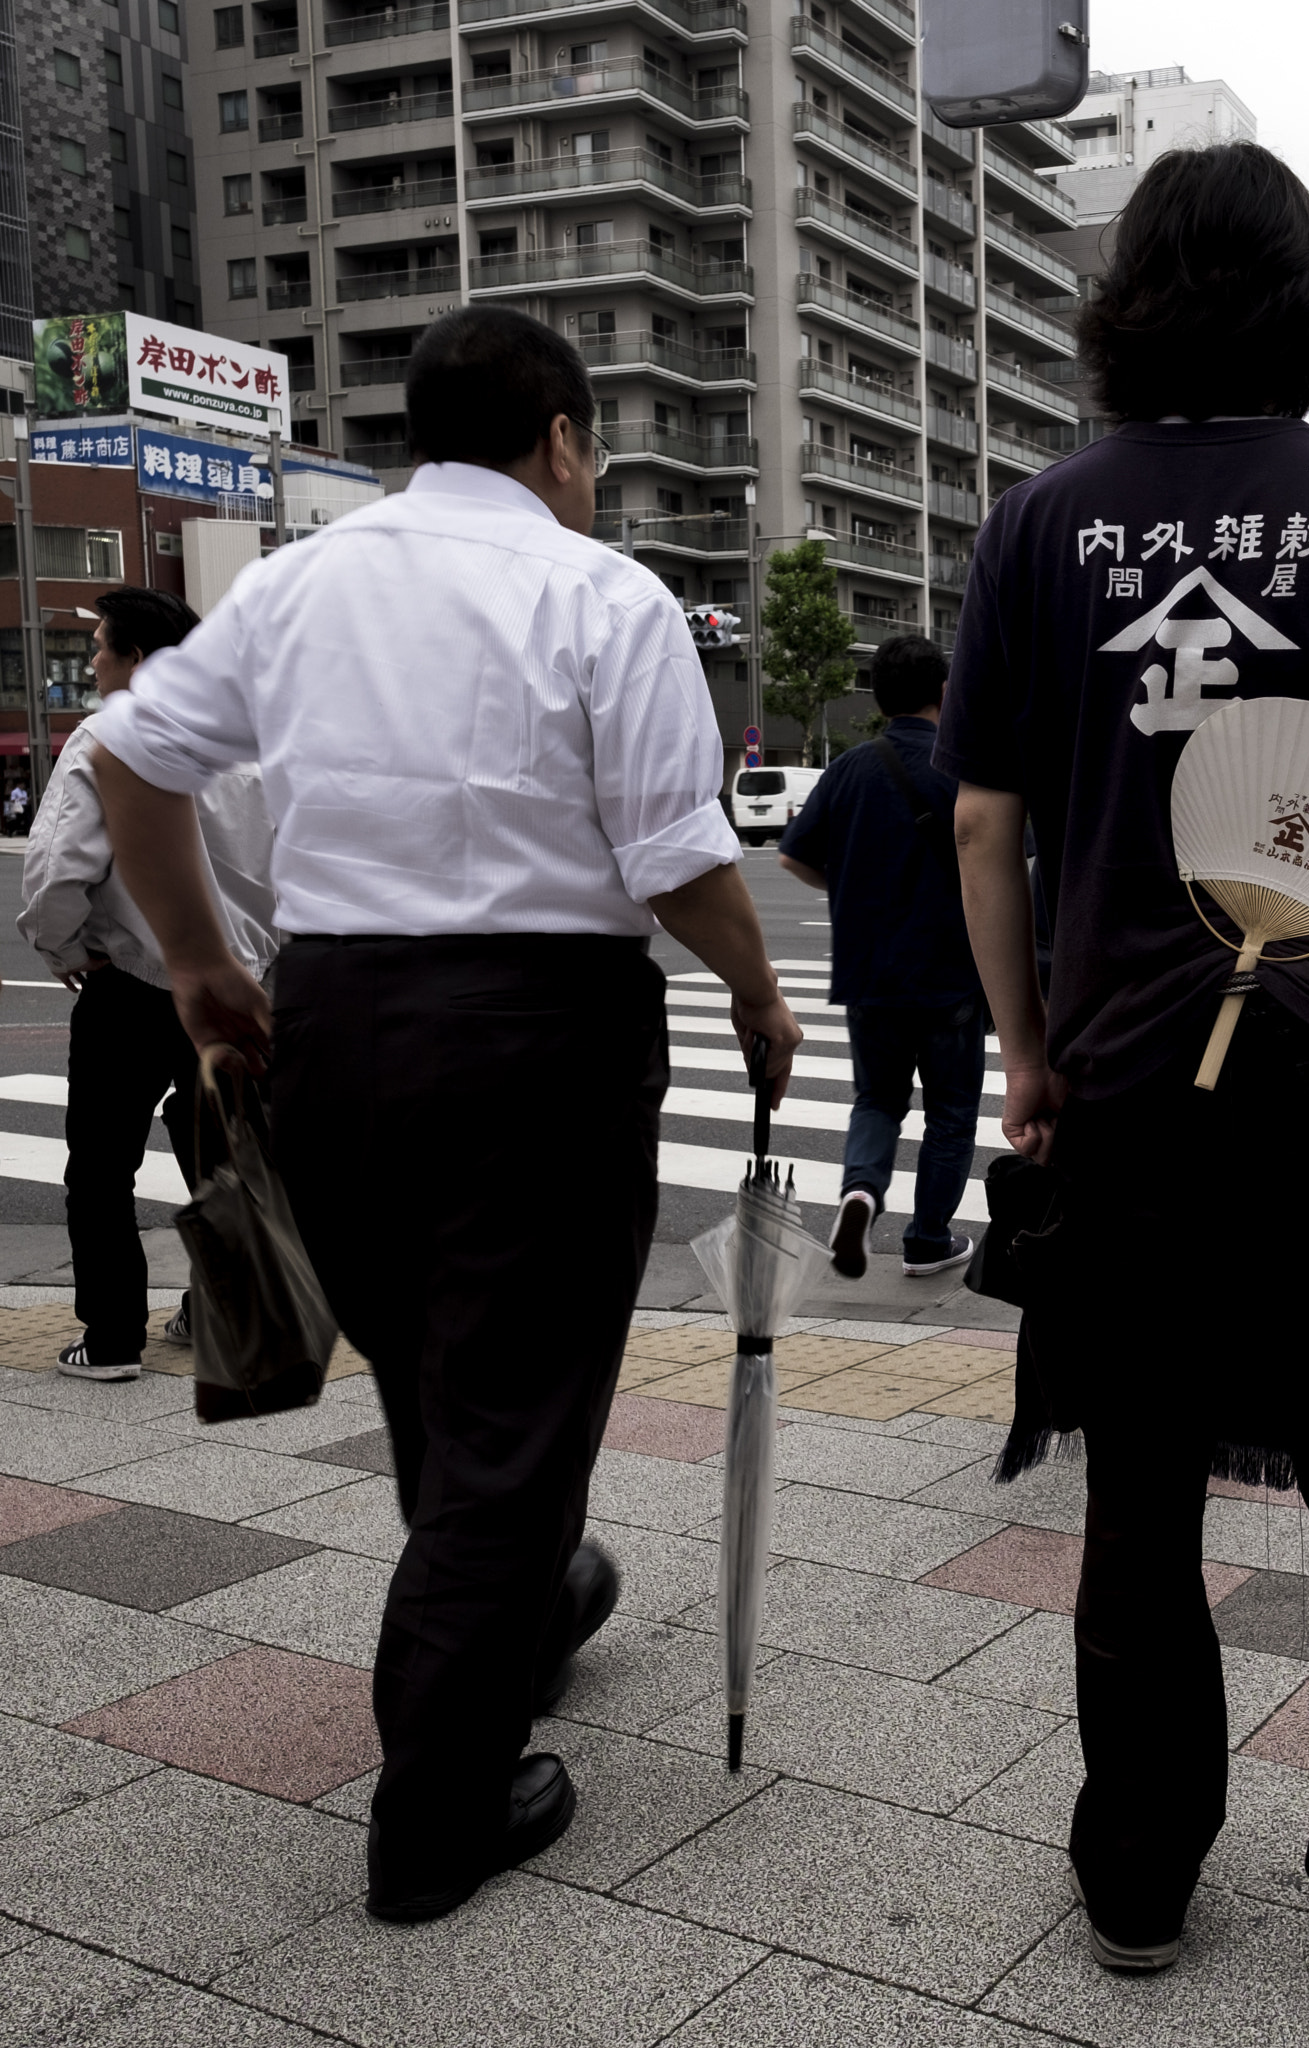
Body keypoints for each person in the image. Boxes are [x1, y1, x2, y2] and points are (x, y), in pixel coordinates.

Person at [89, 305, 803, 1926]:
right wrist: (760, 996)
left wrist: (201, 963)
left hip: (338, 1021)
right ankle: (439, 1803)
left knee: (436, 1368)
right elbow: (678, 853)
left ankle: (527, 1602)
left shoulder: (296, 581)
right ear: (557, 436)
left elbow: (130, 762)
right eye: (593, 446)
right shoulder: (599, 593)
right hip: (541, 1036)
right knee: (513, 1405)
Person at [943, 141, 1309, 1993]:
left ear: (1125, 308)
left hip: (1125, 1090)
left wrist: (1027, 1052)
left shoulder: (1043, 523)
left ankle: (1136, 1880)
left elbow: (980, 823)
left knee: (1140, 1489)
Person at [17, 590, 276, 1380]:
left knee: (100, 1165)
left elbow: (60, 869)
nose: (90, 660)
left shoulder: (108, 737)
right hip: (238, 989)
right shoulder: (257, 745)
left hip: (130, 980)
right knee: (231, 1162)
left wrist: (62, 945)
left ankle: (112, 1338)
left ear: (136, 659)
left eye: (99, 647)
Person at [778, 634, 983, 1279]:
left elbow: (793, 856)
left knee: (876, 1101)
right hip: (950, 973)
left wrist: (848, 886)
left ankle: (861, 1193)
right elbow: (1007, 856)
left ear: (878, 696)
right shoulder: (963, 768)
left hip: (869, 975)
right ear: (945, 694)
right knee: (950, 1115)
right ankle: (927, 1241)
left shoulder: (849, 769)